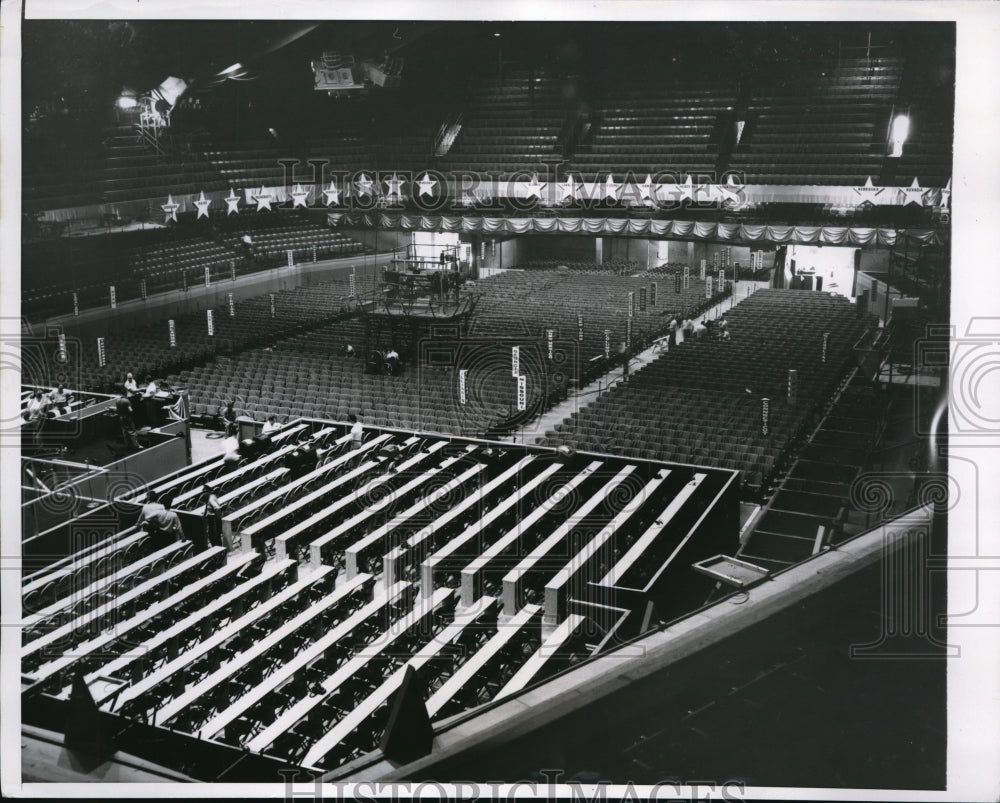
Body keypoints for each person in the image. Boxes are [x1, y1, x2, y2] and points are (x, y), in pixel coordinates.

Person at [198, 484, 224, 551]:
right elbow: (208, 507)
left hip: (213, 520)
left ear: (207, 491)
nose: (203, 494)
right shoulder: (212, 496)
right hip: (214, 520)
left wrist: (217, 518)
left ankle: (216, 550)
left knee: (213, 536)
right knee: (215, 536)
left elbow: (217, 508)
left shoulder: (210, 499)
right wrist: (205, 513)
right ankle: (218, 550)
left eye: (204, 492)